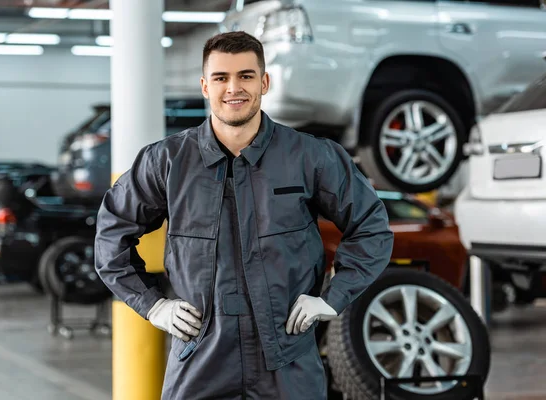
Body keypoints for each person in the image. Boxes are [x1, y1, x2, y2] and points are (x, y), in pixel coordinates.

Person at [95, 31, 394, 399]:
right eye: (221, 78)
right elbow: (111, 236)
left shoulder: (310, 156)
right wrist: (152, 304)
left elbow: (372, 227)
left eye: (246, 76)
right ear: (205, 86)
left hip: (287, 360)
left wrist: (333, 297)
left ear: (264, 82)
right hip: (199, 357)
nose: (233, 88)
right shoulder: (168, 162)